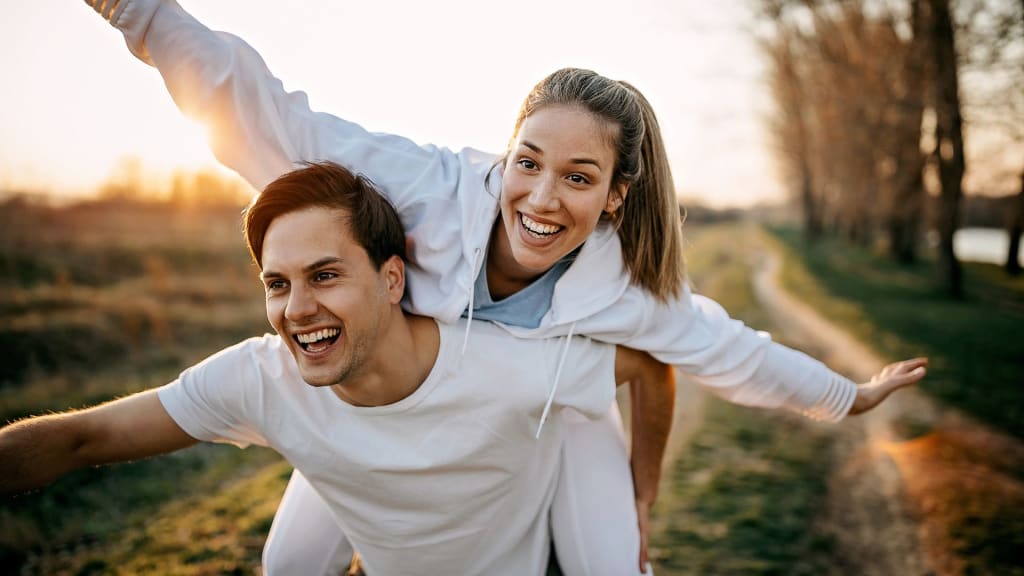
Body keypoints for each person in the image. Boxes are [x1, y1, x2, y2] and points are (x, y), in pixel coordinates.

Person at [81, 2, 928, 574]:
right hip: (386, 415)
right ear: (507, 152)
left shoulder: (626, 286)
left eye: (578, 177)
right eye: (528, 162)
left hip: (547, 420)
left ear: (614, 196)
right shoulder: (422, 187)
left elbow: (731, 353)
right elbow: (263, 114)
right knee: (289, 564)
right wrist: (138, 13)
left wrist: (847, 395)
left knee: (609, 566)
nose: (541, 197)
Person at [0, 161, 671, 575]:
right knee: (288, 564)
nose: (297, 309)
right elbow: (82, 438)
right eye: (277, 284)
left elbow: (653, 365)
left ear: (391, 278)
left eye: (325, 275)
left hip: (529, 495)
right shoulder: (260, 378)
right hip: (374, 491)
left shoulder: (513, 369)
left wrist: (641, 491)